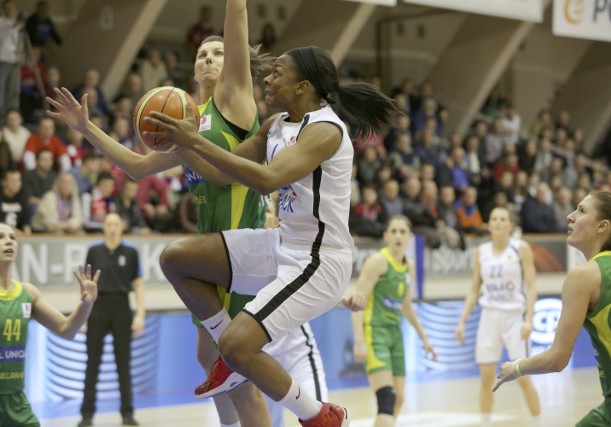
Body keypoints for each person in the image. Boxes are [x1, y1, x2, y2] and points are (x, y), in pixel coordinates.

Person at [46, 1, 330, 425]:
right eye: (202, 55)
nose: (210, 58)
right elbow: (136, 167)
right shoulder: (187, 127)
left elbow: (235, 22)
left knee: (240, 374)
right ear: (193, 73)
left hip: (240, 256)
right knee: (208, 357)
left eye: (218, 53)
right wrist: (87, 127)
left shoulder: (232, 101)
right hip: (206, 264)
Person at [145, 41, 401, 425]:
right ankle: (229, 358)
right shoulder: (276, 125)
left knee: (236, 345)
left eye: (278, 71)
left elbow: (267, 181)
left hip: (318, 261)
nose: (267, 77)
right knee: (176, 258)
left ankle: (319, 415)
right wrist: (184, 144)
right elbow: (218, 174)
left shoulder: (327, 130)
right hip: (282, 245)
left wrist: (194, 139)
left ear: (303, 86)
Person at [494, 190, 611, 426]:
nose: (569, 217)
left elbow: (557, 359)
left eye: (581, 211)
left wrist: (516, 367)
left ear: (602, 226)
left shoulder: (584, 276)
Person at [0, 222, 99, 427]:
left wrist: (86, 304)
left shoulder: (27, 293)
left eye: (12, 237)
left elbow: (67, 329)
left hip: (17, 405)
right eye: (1, 237)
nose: (8, 241)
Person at [455, 206, 541, 427]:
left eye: (503, 219)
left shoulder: (521, 248)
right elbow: (474, 289)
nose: (499, 222)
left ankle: (539, 422)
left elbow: (532, 286)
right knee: (485, 380)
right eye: (494, 219)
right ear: (489, 224)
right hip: (489, 317)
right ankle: (485, 423)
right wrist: (462, 321)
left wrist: (529, 319)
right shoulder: (481, 252)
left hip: (515, 317)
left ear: (511, 225)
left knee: (522, 379)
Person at [351, 215, 436, 426]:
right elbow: (357, 301)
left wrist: (424, 338)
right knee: (387, 398)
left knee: (399, 399)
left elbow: (406, 306)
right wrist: (359, 340)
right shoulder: (378, 261)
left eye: (403, 232)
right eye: (394, 231)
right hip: (376, 332)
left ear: (410, 237)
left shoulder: (410, 266)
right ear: (386, 236)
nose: (398, 236)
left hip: (396, 334)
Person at [78, 213, 145, 427]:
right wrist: (83, 314)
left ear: (122, 226)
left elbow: (138, 285)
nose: (113, 228)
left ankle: (127, 413)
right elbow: (85, 287)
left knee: (123, 363)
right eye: (109, 224)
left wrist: (141, 314)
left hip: (122, 308)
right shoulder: (94, 251)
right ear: (103, 227)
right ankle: (87, 415)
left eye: (116, 224)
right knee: (92, 363)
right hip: (97, 309)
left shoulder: (131, 252)